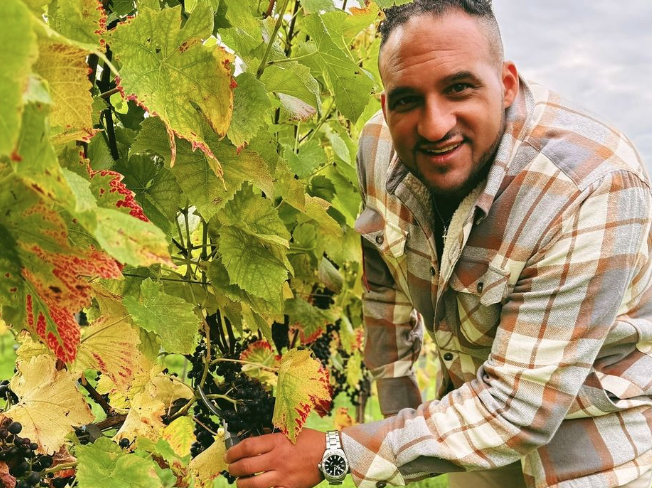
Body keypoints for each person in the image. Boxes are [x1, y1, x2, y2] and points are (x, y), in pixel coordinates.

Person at [225, 1, 652, 487]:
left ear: (507, 84)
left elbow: (518, 409)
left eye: (459, 88)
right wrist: (395, 414)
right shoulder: (378, 149)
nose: (434, 126)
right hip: (469, 413)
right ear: (386, 106)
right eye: (407, 99)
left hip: (592, 439)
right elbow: (383, 279)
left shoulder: (591, 186)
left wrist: (338, 453)